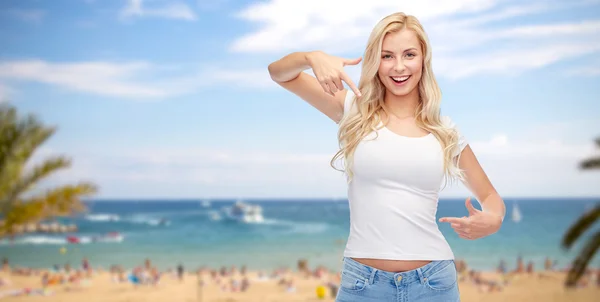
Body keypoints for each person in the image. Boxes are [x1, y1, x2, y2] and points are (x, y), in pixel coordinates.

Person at [268, 12, 506, 301]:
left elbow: (490, 196)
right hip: (362, 286)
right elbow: (279, 73)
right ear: (375, 62)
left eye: (409, 54)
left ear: (423, 59)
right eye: (387, 56)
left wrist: (493, 219)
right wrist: (311, 57)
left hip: (434, 285)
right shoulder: (353, 110)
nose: (399, 66)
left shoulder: (445, 131)